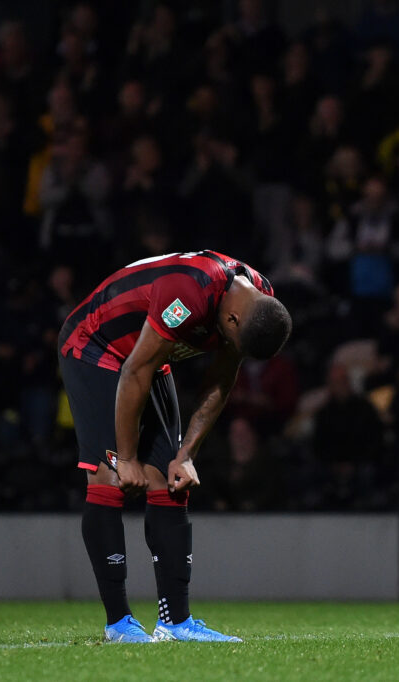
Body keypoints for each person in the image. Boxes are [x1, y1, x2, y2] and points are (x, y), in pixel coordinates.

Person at [58, 250, 291, 643]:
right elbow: (135, 369)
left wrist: (186, 455)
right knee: (110, 478)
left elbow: (221, 379)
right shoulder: (189, 294)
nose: (231, 347)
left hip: (147, 353)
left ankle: (175, 623)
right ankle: (118, 623)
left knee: (171, 481)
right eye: (233, 340)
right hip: (96, 345)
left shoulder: (258, 299)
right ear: (232, 319)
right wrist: (127, 458)